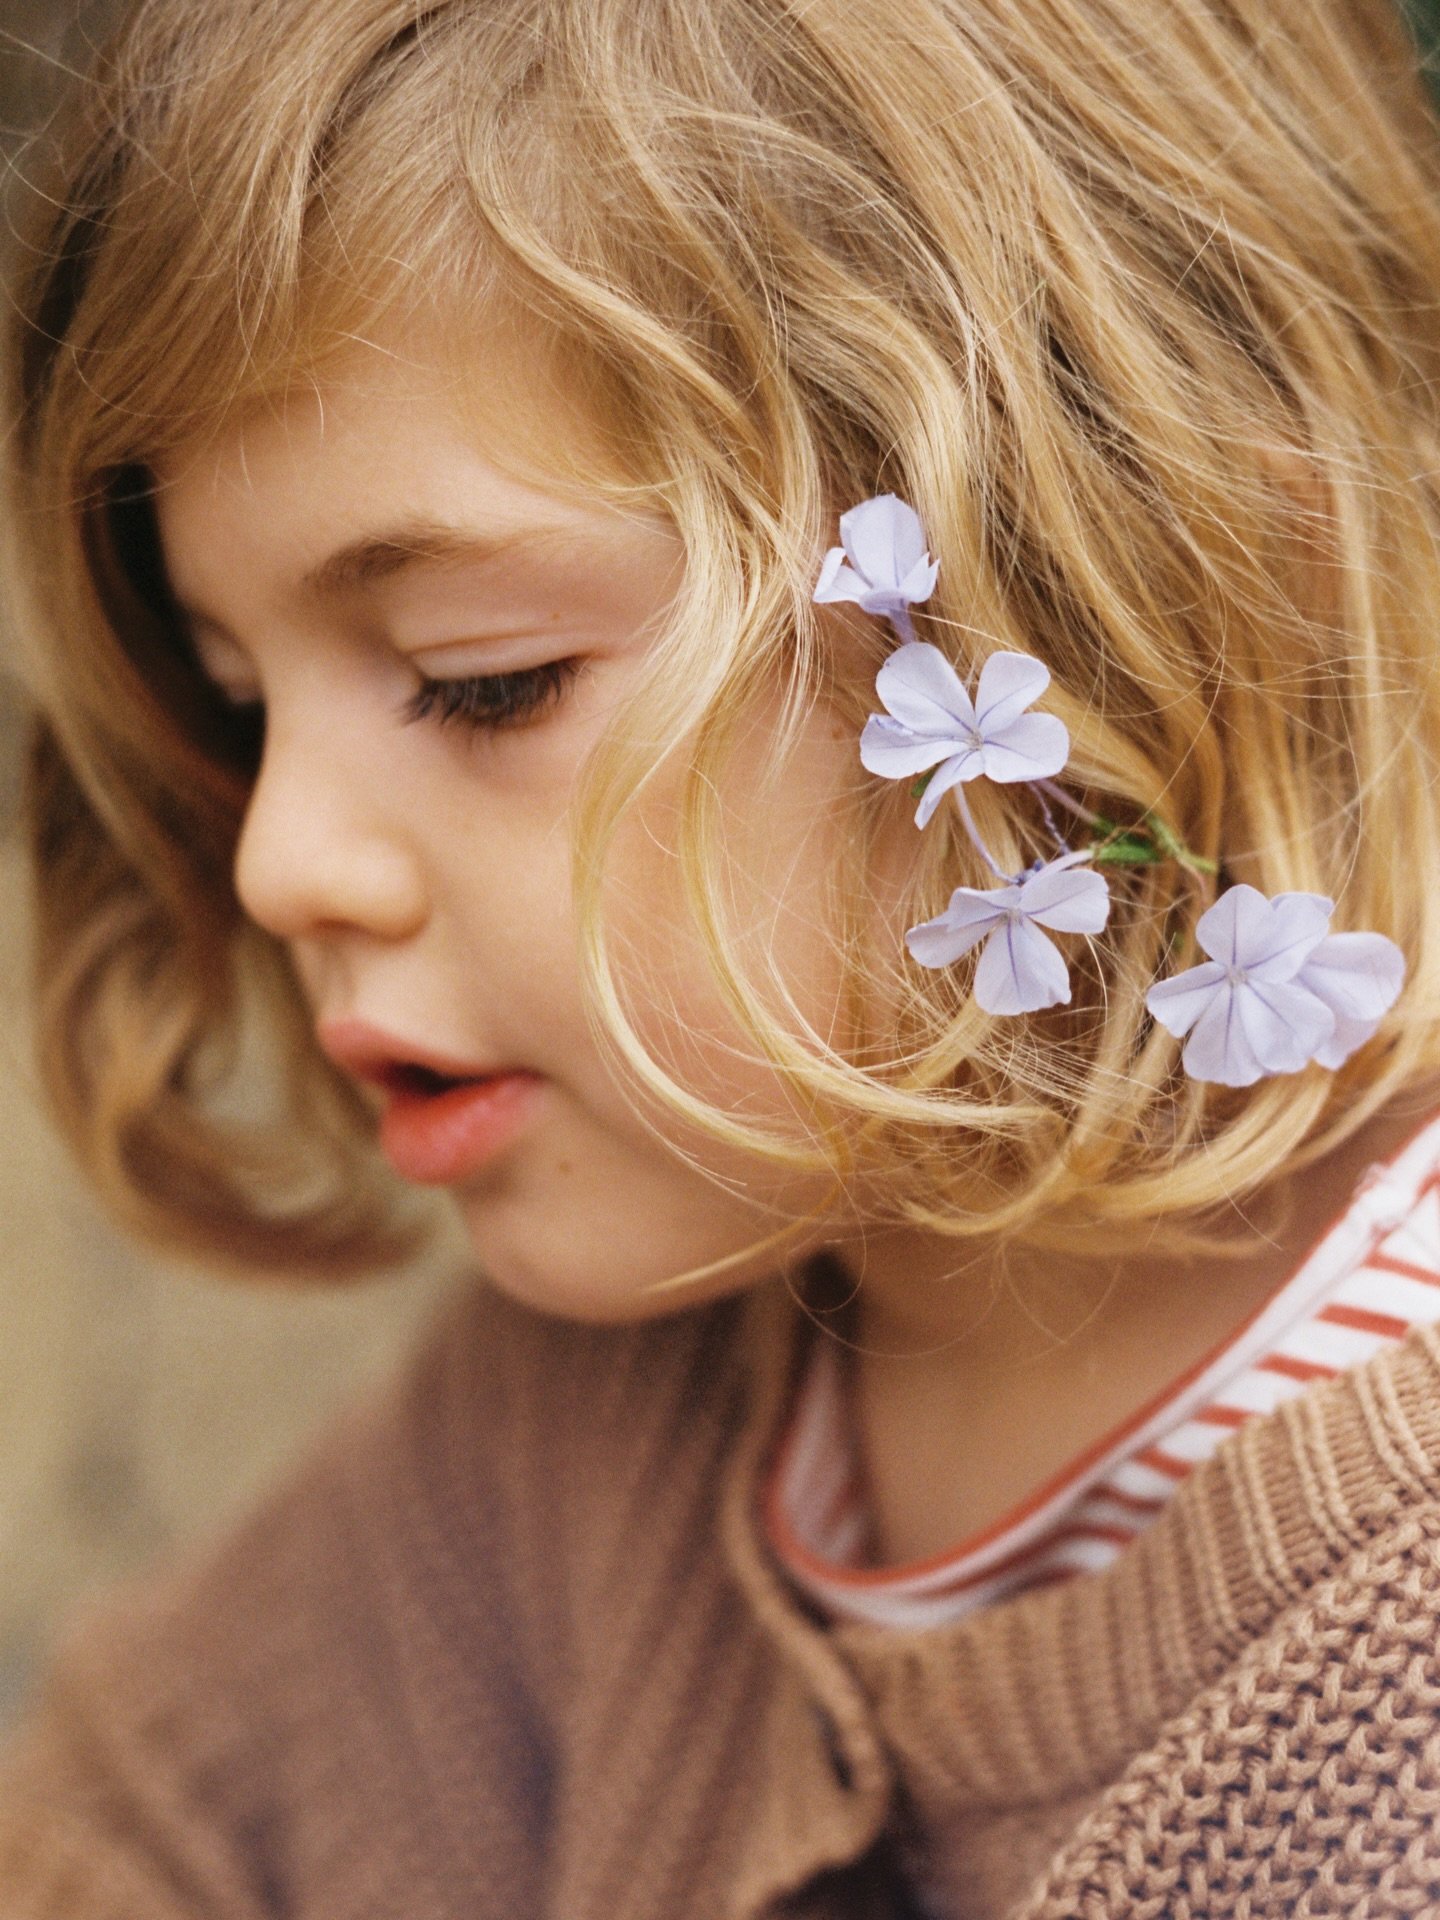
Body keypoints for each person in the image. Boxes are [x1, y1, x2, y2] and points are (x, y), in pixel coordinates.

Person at [4, 0, 1440, 1911]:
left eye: (479, 678)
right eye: (240, 698)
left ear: (1148, 606)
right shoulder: (604, 1419)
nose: (279, 861)